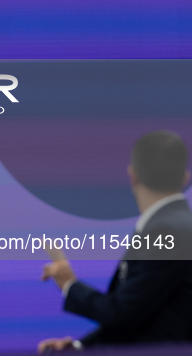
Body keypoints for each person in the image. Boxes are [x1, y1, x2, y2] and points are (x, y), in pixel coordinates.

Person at [39, 130, 192, 352]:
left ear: (133, 174)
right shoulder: (170, 225)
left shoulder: (166, 230)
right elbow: (142, 313)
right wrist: (80, 345)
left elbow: (122, 313)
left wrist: (69, 283)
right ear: (185, 177)